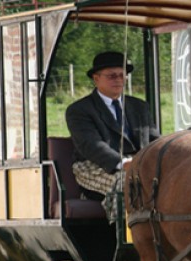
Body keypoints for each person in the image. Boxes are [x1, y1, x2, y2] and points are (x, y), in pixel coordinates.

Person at [66, 51, 159, 215]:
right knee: (127, 182)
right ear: (96, 79)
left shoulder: (139, 106)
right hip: (95, 165)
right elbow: (92, 145)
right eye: (111, 76)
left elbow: (154, 140)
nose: (118, 79)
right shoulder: (79, 110)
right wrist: (123, 163)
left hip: (138, 164)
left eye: (122, 75)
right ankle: (125, 239)